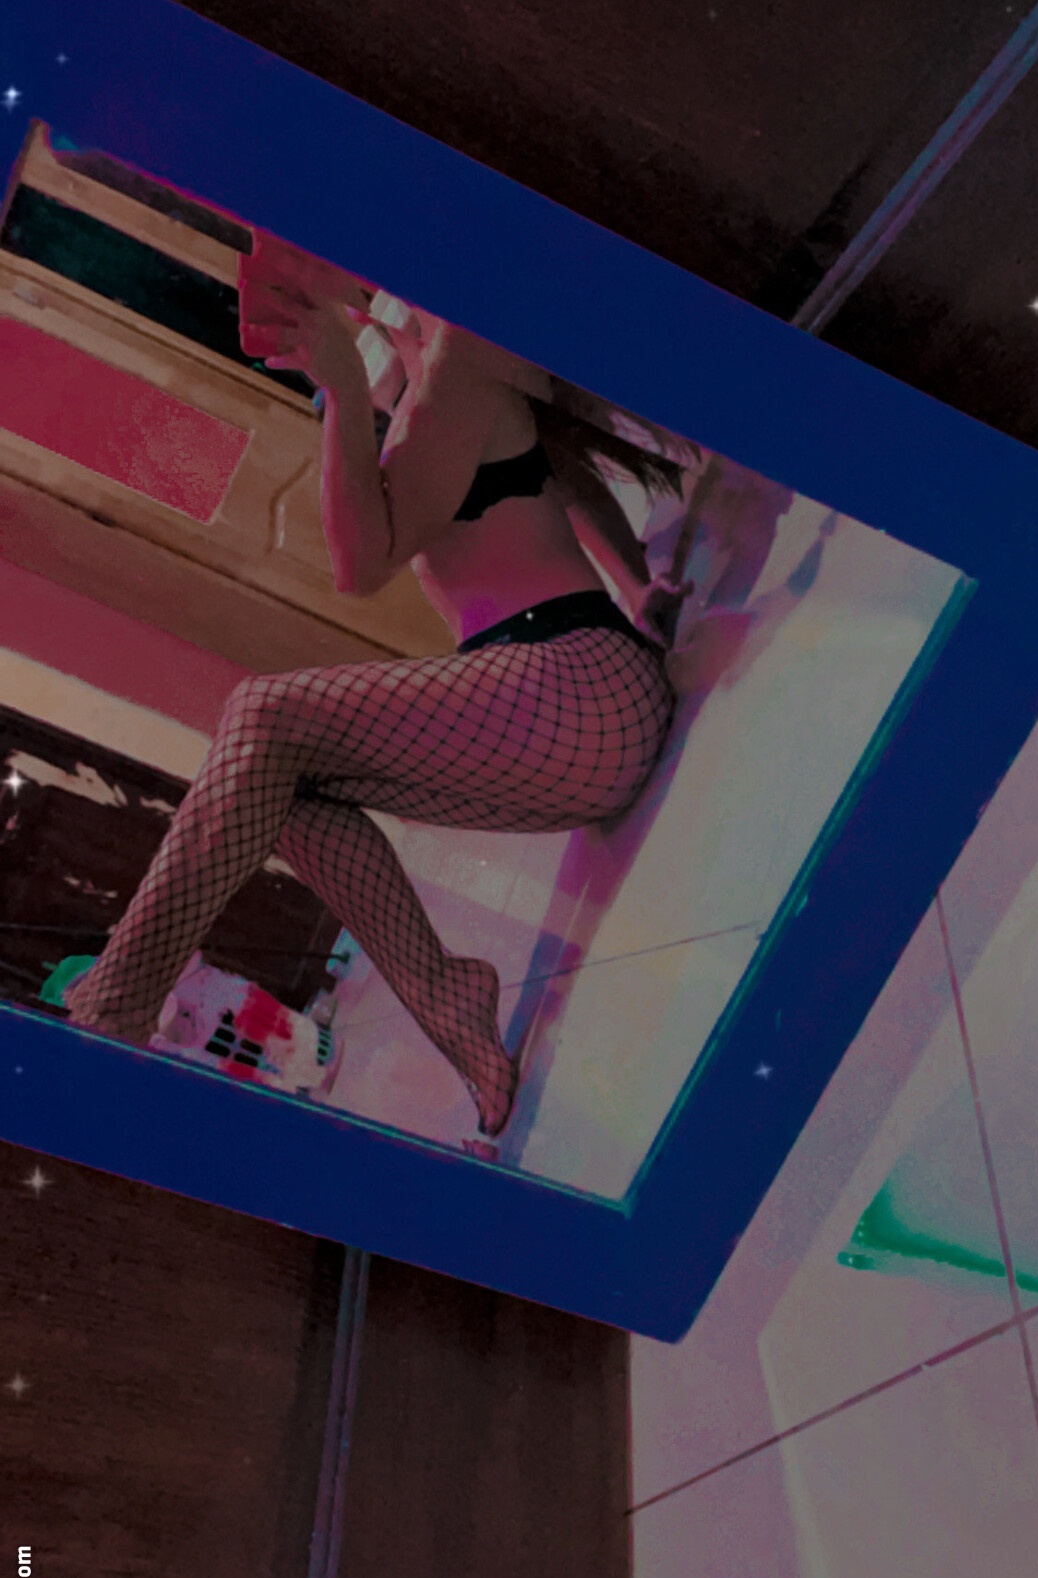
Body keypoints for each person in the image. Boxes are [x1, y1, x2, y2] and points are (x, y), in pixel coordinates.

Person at [64, 237, 679, 1149]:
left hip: (581, 689)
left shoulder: (457, 352)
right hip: (567, 713)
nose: (266, 285)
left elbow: (363, 563)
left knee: (263, 716)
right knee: (276, 792)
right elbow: (560, 473)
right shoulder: (425, 363)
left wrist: (347, 394)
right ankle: (442, 992)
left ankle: (113, 1007)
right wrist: (638, 585)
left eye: (277, 258)